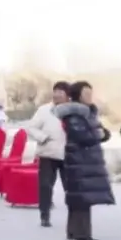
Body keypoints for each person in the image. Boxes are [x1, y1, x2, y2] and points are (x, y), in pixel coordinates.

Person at [55, 80, 114, 240]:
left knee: (79, 197)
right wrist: (98, 135)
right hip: (79, 159)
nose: (89, 96)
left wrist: (102, 134)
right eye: (86, 93)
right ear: (78, 95)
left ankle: (74, 231)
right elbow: (82, 136)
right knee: (82, 197)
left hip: (85, 159)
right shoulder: (74, 114)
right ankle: (82, 233)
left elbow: (103, 132)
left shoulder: (88, 113)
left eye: (90, 93)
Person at [24, 81, 70, 227]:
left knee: (71, 187)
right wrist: (43, 137)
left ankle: (74, 216)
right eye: (55, 91)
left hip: (68, 154)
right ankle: (44, 214)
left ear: (68, 96)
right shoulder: (44, 110)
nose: (57, 95)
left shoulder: (72, 110)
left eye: (61, 92)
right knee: (45, 186)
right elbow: (30, 128)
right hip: (48, 153)